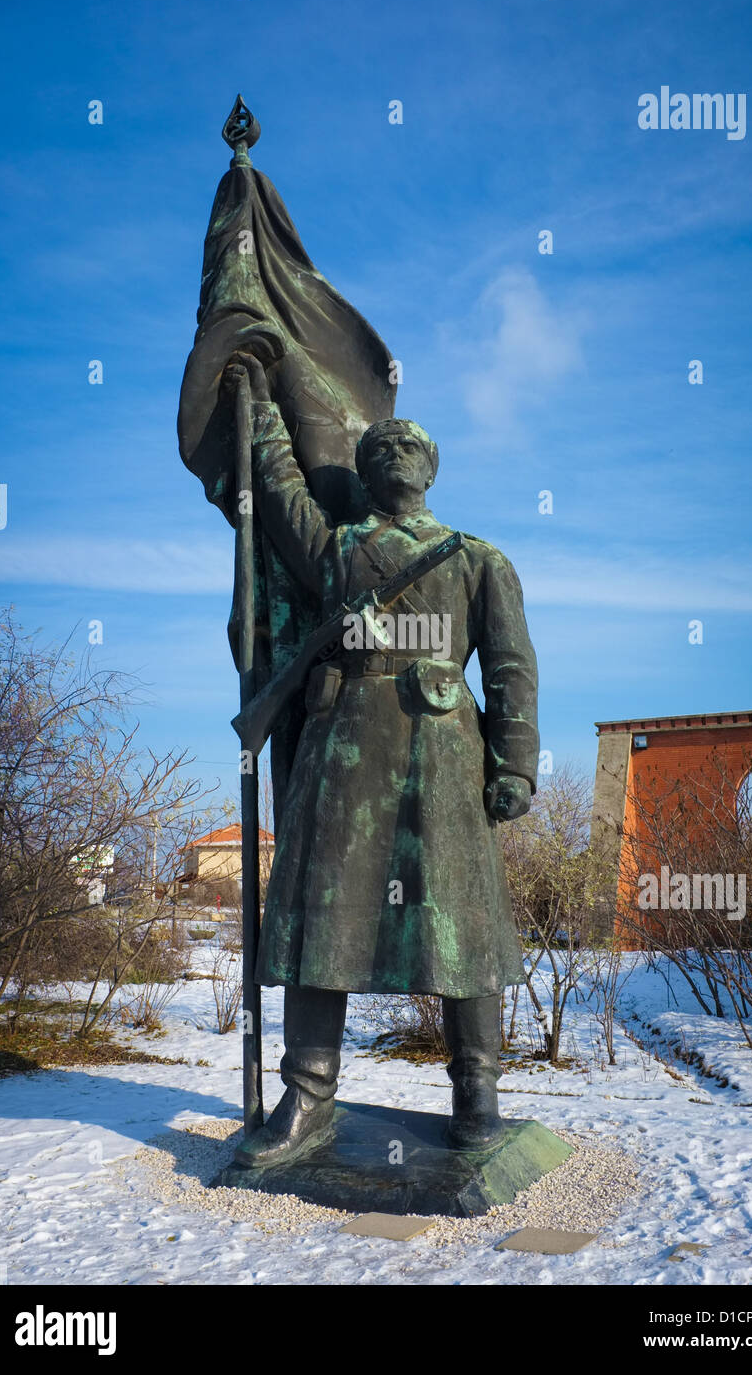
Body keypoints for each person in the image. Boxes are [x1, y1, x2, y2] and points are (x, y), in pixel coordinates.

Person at [222, 353, 539, 1166]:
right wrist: (257, 405)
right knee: (323, 917)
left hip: (441, 754)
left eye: (410, 447)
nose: (396, 453)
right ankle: (309, 1093)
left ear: (431, 470)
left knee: (459, 922)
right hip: (345, 748)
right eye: (380, 448)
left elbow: (508, 669)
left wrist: (514, 765)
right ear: (364, 474)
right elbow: (282, 492)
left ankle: (478, 1095)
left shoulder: (477, 559)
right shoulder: (334, 552)